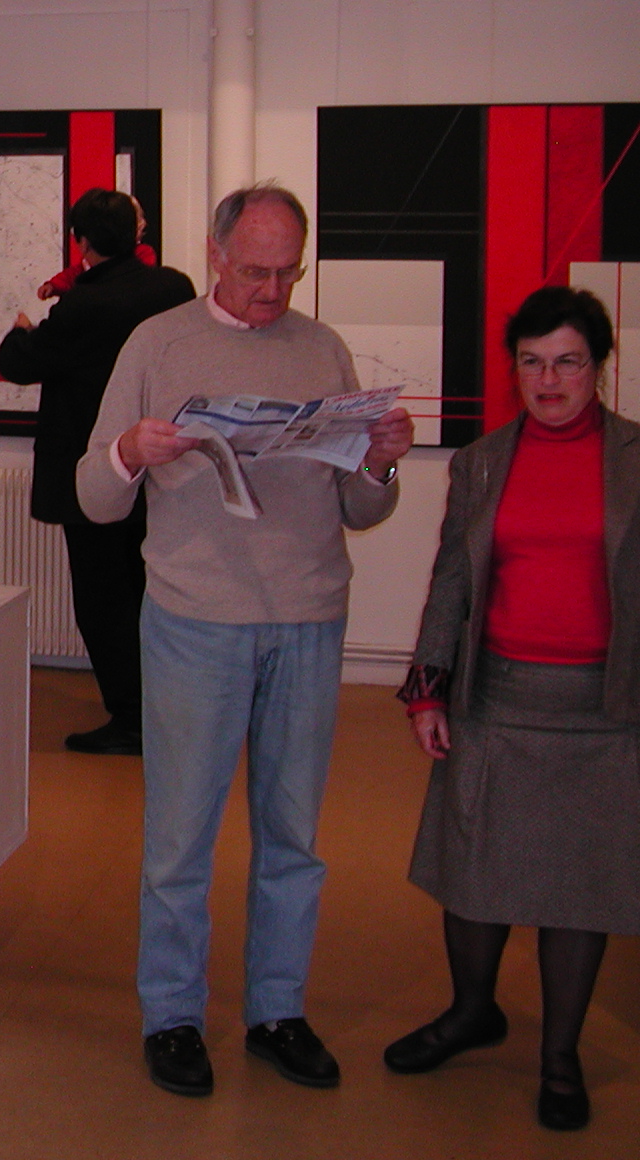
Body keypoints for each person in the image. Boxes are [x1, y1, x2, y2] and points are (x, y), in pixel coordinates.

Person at [75, 182, 414, 1099]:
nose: (272, 291)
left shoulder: (323, 348)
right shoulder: (158, 343)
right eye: (256, 271)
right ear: (217, 255)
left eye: (287, 272)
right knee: (180, 839)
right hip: (195, 620)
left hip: (309, 617)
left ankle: (277, 1011)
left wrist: (380, 463)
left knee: (293, 836)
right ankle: (173, 1017)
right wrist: (130, 455)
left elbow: (361, 509)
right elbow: (93, 496)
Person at [385, 285, 640, 1133]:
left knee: (579, 889)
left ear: (599, 367)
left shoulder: (636, 458)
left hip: (605, 709)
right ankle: (472, 1012)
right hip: (495, 697)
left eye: (568, 362)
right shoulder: (483, 461)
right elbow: (451, 581)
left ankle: (560, 1056)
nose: (549, 380)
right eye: (532, 362)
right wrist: (429, 686)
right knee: (473, 873)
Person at [0, 189, 195, 754]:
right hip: (162, 467)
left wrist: (21, 328)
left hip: (94, 473)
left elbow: (18, 364)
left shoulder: (82, 307)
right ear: (137, 233)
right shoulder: (173, 289)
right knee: (153, 592)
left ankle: (132, 720)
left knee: (104, 600)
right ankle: (171, 709)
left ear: (80, 241)